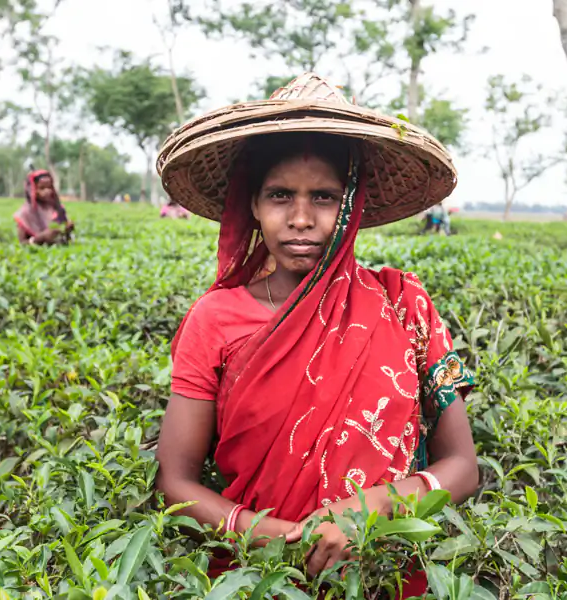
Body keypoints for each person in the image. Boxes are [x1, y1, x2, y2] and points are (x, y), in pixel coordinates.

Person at [153, 73, 478, 591]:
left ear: (352, 206)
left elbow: (463, 465)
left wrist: (373, 508)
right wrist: (279, 538)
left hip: (382, 576)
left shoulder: (405, 303)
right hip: (259, 578)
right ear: (253, 206)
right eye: (280, 195)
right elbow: (176, 481)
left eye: (324, 197)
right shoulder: (214, 319)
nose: (300, 218)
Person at [14, 169, 74, 245]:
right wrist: (41, 238)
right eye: (42, 188)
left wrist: (67, 230)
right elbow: (22, 244)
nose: (47, 191)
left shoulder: (57, 209)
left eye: (49, 187)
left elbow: (66, 239)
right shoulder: (25, 213)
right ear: (32, 189)